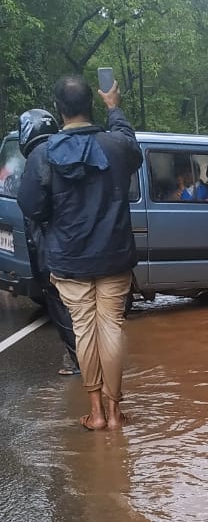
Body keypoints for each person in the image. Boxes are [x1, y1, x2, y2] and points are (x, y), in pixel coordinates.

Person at [17, 74, 143, 431]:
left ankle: (97, 413)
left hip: (69, 261)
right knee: (112, 328)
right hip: (114, 257)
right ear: (93, 104)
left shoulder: (42, 154)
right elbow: (133, 148)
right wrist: (115, 108)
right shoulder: (116, 146)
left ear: (59, 111)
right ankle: (117, 413)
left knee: (84, 331)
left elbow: (31, 207)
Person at [17, 108, 80, 376]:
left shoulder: (37, 157)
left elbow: (29, 204)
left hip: (52, 252)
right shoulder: (68, 151)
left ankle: (80, 363)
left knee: (62, 308)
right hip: (78, 246)